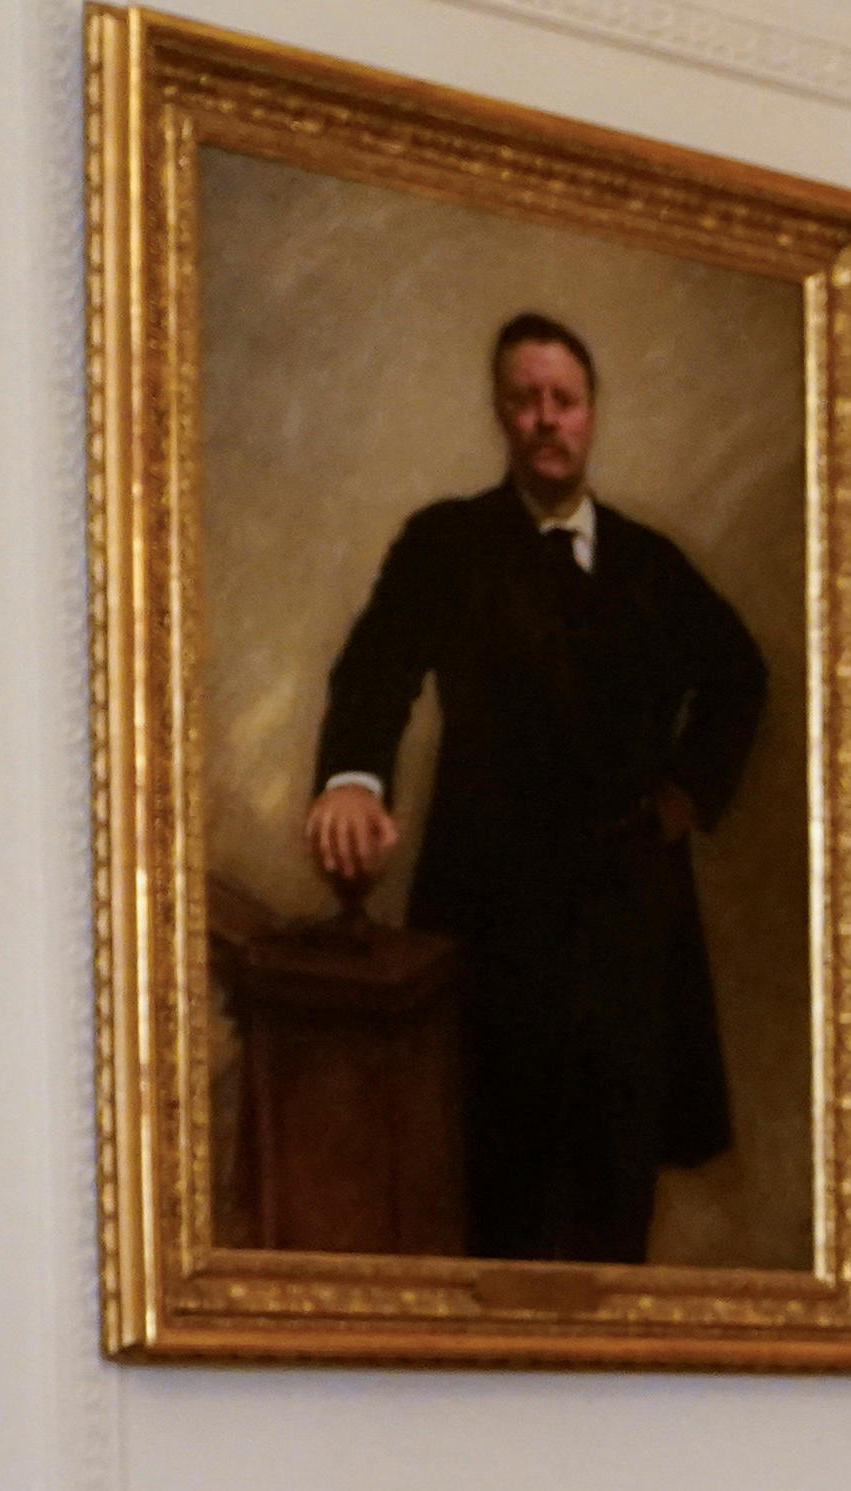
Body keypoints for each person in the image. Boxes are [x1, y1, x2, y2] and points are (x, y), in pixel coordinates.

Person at [306, 312, 769, 1266]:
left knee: (615, 1202)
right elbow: (375, 670)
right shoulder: (447, 543)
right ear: (500, 416)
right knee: (494, 1194)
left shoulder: (649, 564)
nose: (546, 420)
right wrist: (353, 779)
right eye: (525, 401)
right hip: (493, 918)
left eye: (564, 400)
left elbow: (739, 674)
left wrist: (688, 788)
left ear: (592, 416)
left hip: (627, 930)